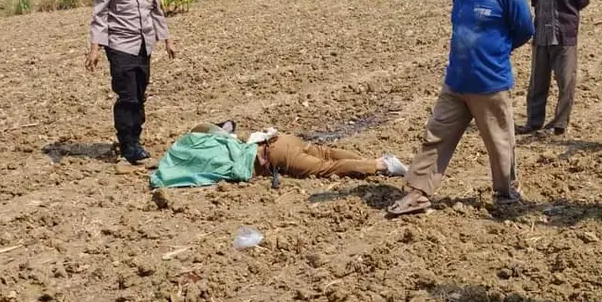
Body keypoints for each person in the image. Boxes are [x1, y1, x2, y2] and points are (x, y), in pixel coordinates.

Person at [388, 0, 535, 215]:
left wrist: (497, 51)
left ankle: (507, 192)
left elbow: (525, 30)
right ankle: (418, 192)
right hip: (455, 82)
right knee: (436, 136)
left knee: (500, 143)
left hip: (490, 84)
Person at [86, 0, 176, 164]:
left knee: (140, 94)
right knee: (128, 96)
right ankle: (128, 144)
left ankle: (134, 138)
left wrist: (166, 40)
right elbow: (100, 15)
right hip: (120, 46)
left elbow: (156, 11)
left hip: (144, 45)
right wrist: (95, 48)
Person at [149, 121, 408, 188]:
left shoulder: (209, 155)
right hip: (281, 139)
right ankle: (380, 158)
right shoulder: (216, 140)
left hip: (276, 156)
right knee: (325, 152)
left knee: (325, 168)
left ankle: (381, 164)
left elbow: (235, 171)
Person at [517, 0, 590, 136]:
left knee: (566, 82)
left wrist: (566, 18)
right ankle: (533, 122)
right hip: (541, 35)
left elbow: (582, 1)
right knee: (537, 83)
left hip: (564, 35)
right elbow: (536, 2)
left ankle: (559, 124)